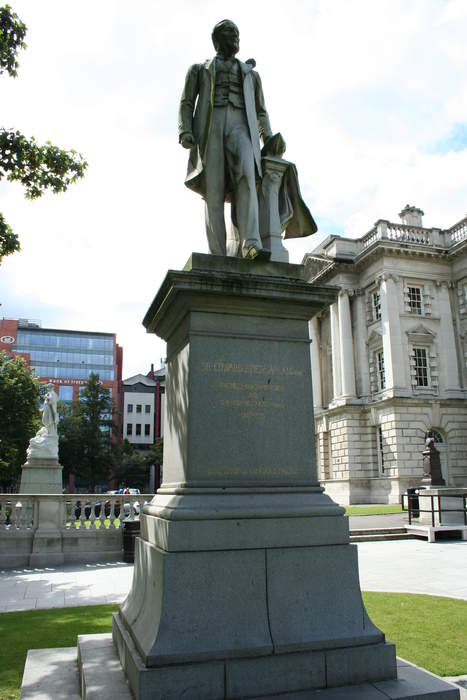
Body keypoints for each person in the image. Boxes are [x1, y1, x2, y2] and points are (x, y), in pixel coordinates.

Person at [179, 19, 273, 260]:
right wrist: (185, 130)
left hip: (242, 126)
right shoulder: (199, 69)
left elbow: (261, 111)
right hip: (210, 126)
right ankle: (217, 253)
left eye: (237, 33)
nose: (235, 36)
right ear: (217, 40)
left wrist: (269, 138)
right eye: (229, 32)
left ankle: (250, 244)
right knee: (214, 189)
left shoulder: (251, 75)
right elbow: (187, 102)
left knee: (246, 177)